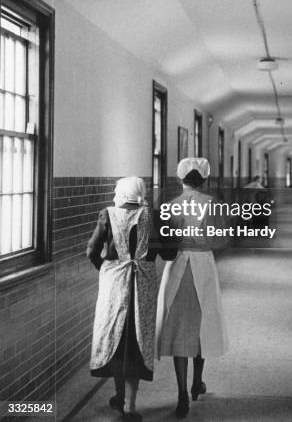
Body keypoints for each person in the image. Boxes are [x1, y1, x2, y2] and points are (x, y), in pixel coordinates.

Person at [155, 158, 229, 418]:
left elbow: (164, 241)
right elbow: (221, 240)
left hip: (178, 267)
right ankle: (197, 383)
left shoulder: (170, 206)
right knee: (202, 326)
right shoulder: (213, 205)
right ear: (204, 180)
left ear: (180, 179)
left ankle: (181, 393)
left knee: (179, 331)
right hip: (203, 266)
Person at [87, 176, 158, 421]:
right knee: (135, 341)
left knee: (115, 339)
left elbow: (91, 250)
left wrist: (108, 270)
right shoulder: (153, 215)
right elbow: (164, 250)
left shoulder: (108, 214)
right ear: (141, 192)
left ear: (120, 192)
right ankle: (130, 404)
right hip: (143, 289)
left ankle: (118, 396)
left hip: (115, 288)